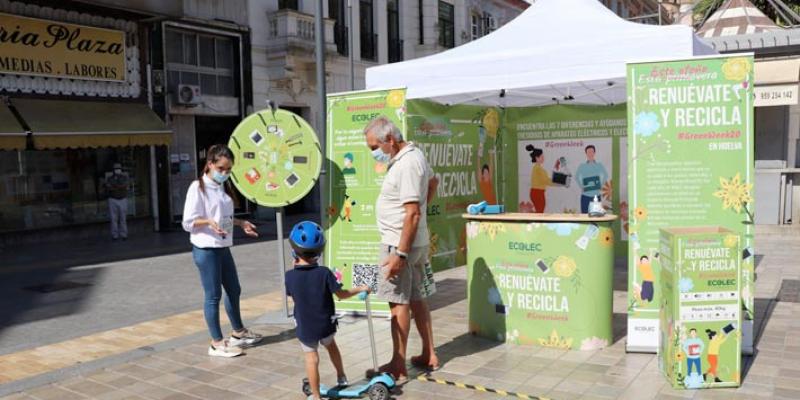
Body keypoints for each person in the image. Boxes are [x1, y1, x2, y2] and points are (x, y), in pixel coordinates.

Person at [364, 116, 439, 381]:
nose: (373, 152)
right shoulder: (414, 155)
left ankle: (398, 365)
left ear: (390, 140)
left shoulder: (407, 163)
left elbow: (413, 212)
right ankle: (429, 354)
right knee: (416, 298)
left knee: (398, 304)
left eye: (374, 147)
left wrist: (400, 254)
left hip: (399, 244)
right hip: (412, 241)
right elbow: (433, 182)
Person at [182, 144, 263, 357]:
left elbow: (223, 218)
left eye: (228, 169)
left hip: (223, 246)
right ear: (210, 164)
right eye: (221, 168)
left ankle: (238, 332)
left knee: (234, 289)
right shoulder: (197, 188)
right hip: (206, 248)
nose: (225, 173)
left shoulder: (221, 187)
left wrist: (241, 223)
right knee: (213, 296)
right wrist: (208, 222)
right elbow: (187, 222)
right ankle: (216, 343)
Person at [285, 221, 370, 400]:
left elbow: (293, 295)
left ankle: (316, 396)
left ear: (294, 250)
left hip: (305, 326)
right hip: (325, 323)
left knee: (311, 359)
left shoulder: (289, 276)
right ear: (319, 251)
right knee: (332, 347)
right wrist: (361, 288)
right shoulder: (324, 273)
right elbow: (342, 294)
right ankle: (341, 376)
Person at [575, 145, 609, 213]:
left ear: (594, 153)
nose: (590, 154)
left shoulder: (599, 165)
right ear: (586, 153)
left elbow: (605, 175)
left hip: (596, 195)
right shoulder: (582, 166)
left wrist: (600, 185)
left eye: (592, 152)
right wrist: (581, 186)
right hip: (585, 195)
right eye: (588, 152)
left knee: (596, 215)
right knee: (584, 215)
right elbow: (576, 177)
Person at [106, 163, 129, 240]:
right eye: (116, 169)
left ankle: (124, 234)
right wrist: (119, 187)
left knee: (123, 218)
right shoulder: (110, 178)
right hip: (113, 199)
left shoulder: (124, 177)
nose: (117, 170)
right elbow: (109, 187)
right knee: (113, 219)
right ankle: (114, 235)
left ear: (121, 169)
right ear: (113, 170)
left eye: (118, 168)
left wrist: (115, 186)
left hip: (122, 199)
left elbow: (125, 185)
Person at [526, 145, 553, 213]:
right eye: (541, 156)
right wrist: (559, 182)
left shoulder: (538, 168)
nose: (543, 158)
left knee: (540, 211)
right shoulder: (538, 169)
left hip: (538, 192)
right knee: (540, 211)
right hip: (537, 193)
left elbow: (546, 180)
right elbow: (546, 181)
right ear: (537, 158)